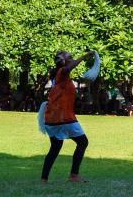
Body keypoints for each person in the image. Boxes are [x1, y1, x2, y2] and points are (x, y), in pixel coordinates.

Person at [40, 50, 95, 183]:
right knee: (83, 142)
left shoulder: (60, 77)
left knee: (55, 148)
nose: (72, 59)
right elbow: (69, 68)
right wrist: (85, 56)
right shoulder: (62, 73)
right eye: (70, 57)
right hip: (63, 118)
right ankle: (74, 175)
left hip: (52, 118)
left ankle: (44, 179)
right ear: (63, 62)